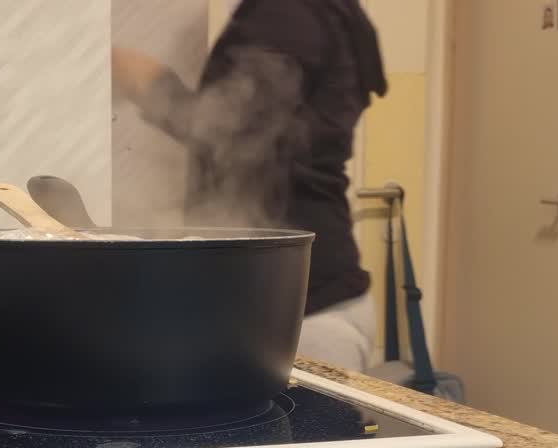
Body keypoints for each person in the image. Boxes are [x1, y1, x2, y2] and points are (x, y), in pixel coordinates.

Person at [112, 0, 387, 371]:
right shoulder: (318, 11)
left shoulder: (287, 12)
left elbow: (231, 132)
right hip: (307, 299)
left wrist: (146, 79)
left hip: (303, 315)